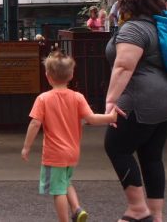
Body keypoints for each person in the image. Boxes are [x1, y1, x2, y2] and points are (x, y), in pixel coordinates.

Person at [104, 0, 167, 222]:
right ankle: (155, 215)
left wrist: (110, 101)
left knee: (116, 147)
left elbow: (124, 66)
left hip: (142, 99)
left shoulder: (135, 28)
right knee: (151, 155)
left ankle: (137, 209)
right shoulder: (161, 24)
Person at [21, 50, 118, 222]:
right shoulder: (77, 97)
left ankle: (64, 220)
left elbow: (35, 123)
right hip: (73, 151)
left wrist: (26, 147)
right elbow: (91, 119)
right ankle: (77, 209)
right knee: (65, 182)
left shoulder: (43, 99)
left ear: (47, 76)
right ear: (71, 75)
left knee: (57, 191)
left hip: (54, 154)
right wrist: (110, 118)